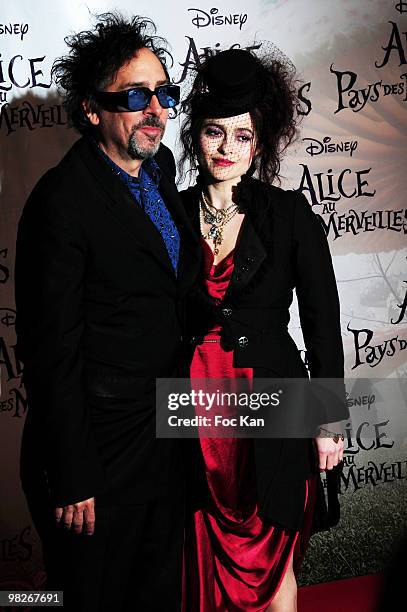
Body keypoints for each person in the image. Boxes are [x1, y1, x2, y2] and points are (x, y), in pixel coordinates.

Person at [15, 12, 200, 612]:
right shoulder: (60, 202)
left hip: (166, 435)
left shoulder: (161, 174)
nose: (157, 110)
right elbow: (50, 351)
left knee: (158, 592)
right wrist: (73, 475)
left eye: (164, 94)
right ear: (92, 109)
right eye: (136, 96)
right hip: (98, 452)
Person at [178, 48, 349, 612]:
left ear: (261, 142)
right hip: (190, 409)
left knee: (274, 553)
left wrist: (327, 420)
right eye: (214, 133)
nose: (227, 150)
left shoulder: (291, 214)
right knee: (196, 553)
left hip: (276, 402)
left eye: (242, 137)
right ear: (195, 135)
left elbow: (323, 324)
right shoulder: (166, 215)